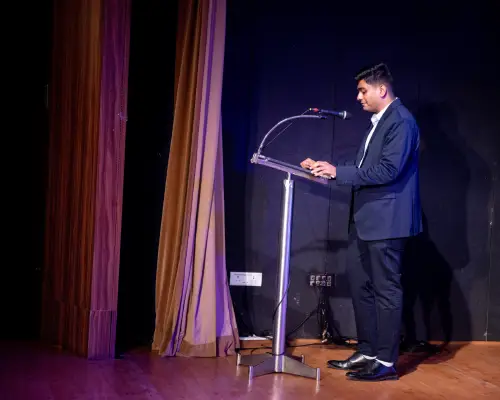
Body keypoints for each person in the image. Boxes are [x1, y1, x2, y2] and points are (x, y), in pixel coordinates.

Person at [301, 63, 422, 381]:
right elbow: (362, 165)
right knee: (361, 287)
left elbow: (387, 171)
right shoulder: (379, 123)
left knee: (386, 290)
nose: (358, 97)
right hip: (365, 220)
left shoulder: (401, 121)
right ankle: (368, 351)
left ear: (381, 89)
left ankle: (386, 362)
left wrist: (338, 173)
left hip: (387, 222)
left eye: (362, 90)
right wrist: (328, 168)